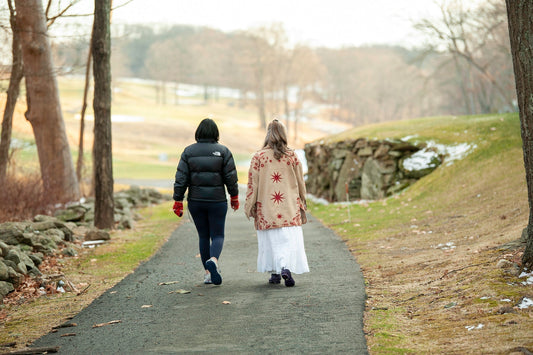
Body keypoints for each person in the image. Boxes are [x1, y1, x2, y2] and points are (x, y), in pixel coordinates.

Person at [172, 118, 239, 286]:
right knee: (218, 235)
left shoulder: (188, 152)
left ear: (198, 133)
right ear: (216, 133)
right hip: (217, 201)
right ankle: (214, 260)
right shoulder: (223, 151)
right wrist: (234, 196)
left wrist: (178, 200)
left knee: (203, 235)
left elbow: (181, 178)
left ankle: (208, 274)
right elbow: (231, 177)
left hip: (196, 201)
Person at [244, 119, 309, 287]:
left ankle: (274, 272)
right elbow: (300, 181)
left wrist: (249, 205)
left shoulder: (258, 157)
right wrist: (303, 199)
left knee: (269, 240)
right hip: (289, 206)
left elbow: (253, 184)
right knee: (287, 239)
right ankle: (285, 268)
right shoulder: (292, 156)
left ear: (268, 134)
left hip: (266, 207)